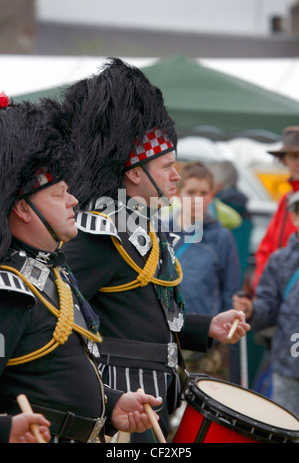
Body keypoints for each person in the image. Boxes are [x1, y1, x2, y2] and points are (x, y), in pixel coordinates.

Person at [62, 58, 250, 442]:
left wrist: (205, 326)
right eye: (166, 166)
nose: (177, 176)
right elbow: (63, 323)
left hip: (151, 396)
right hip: (121, 400)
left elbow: (146, 313)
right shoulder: (98, 234)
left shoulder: (140, 227)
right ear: (134, 172)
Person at [0, 97, 162, 443]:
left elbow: (53, 375)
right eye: (59, 195)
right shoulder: (10, 293)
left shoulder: (52, 271)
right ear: (23, 209)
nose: (73, 200)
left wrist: (112, 404)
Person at [171, 161, 241, 383]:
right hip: (167, 338)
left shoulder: (222, 238)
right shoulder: (160, 231)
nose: (197, 199)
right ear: (178, 193)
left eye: (203, 193)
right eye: (191, 192)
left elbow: (230, 291)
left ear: (212, 196)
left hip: (206, 343)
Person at [233, 190, 299, 418]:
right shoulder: (280, 260)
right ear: (294, 218)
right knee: (287, 429)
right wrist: (251, 309)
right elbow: (268, 307)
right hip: (288, 365)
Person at [253, 127, 299, 292]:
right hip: (277, 292)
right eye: (294, 156)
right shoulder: (285, 200)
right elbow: (267, 247)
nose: (297, 162)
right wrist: (262, 288)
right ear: (284, 160)